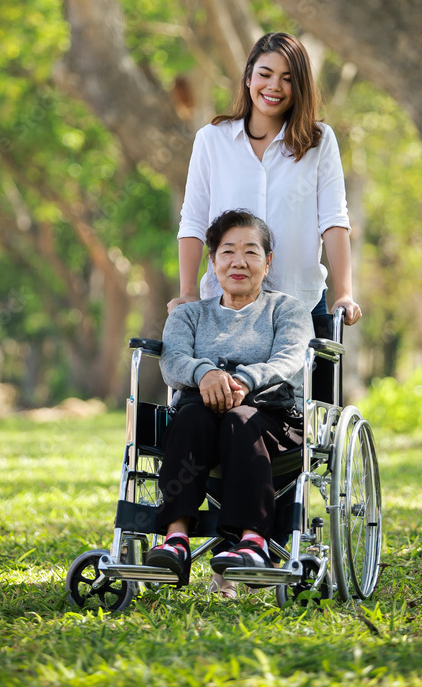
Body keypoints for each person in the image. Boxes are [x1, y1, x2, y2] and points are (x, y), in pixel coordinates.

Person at [145, 209, 314, 588]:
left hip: (271, 418)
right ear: (212, 262)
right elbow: (173, 361)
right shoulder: (188, 316)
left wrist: (243, 380)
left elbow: (289, 359)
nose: (239, 262)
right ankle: (176, 540)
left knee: (240, 419)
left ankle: (253, 542)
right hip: (201, 419)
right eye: (228, 252)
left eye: (252, 252)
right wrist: (205, 374)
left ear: (267, 263)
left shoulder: (287, 310)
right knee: (189, 417)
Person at [168, 31, 362, 324]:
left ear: (300, 87)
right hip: (224, 306)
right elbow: (194, 221)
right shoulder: (212, 140)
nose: (274, 86)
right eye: (265, 74)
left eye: (287, 78)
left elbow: (334, 220)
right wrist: (187, 293)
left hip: (301, 305)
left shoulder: (319, 142)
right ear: (248, 78)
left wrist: (345, 293)